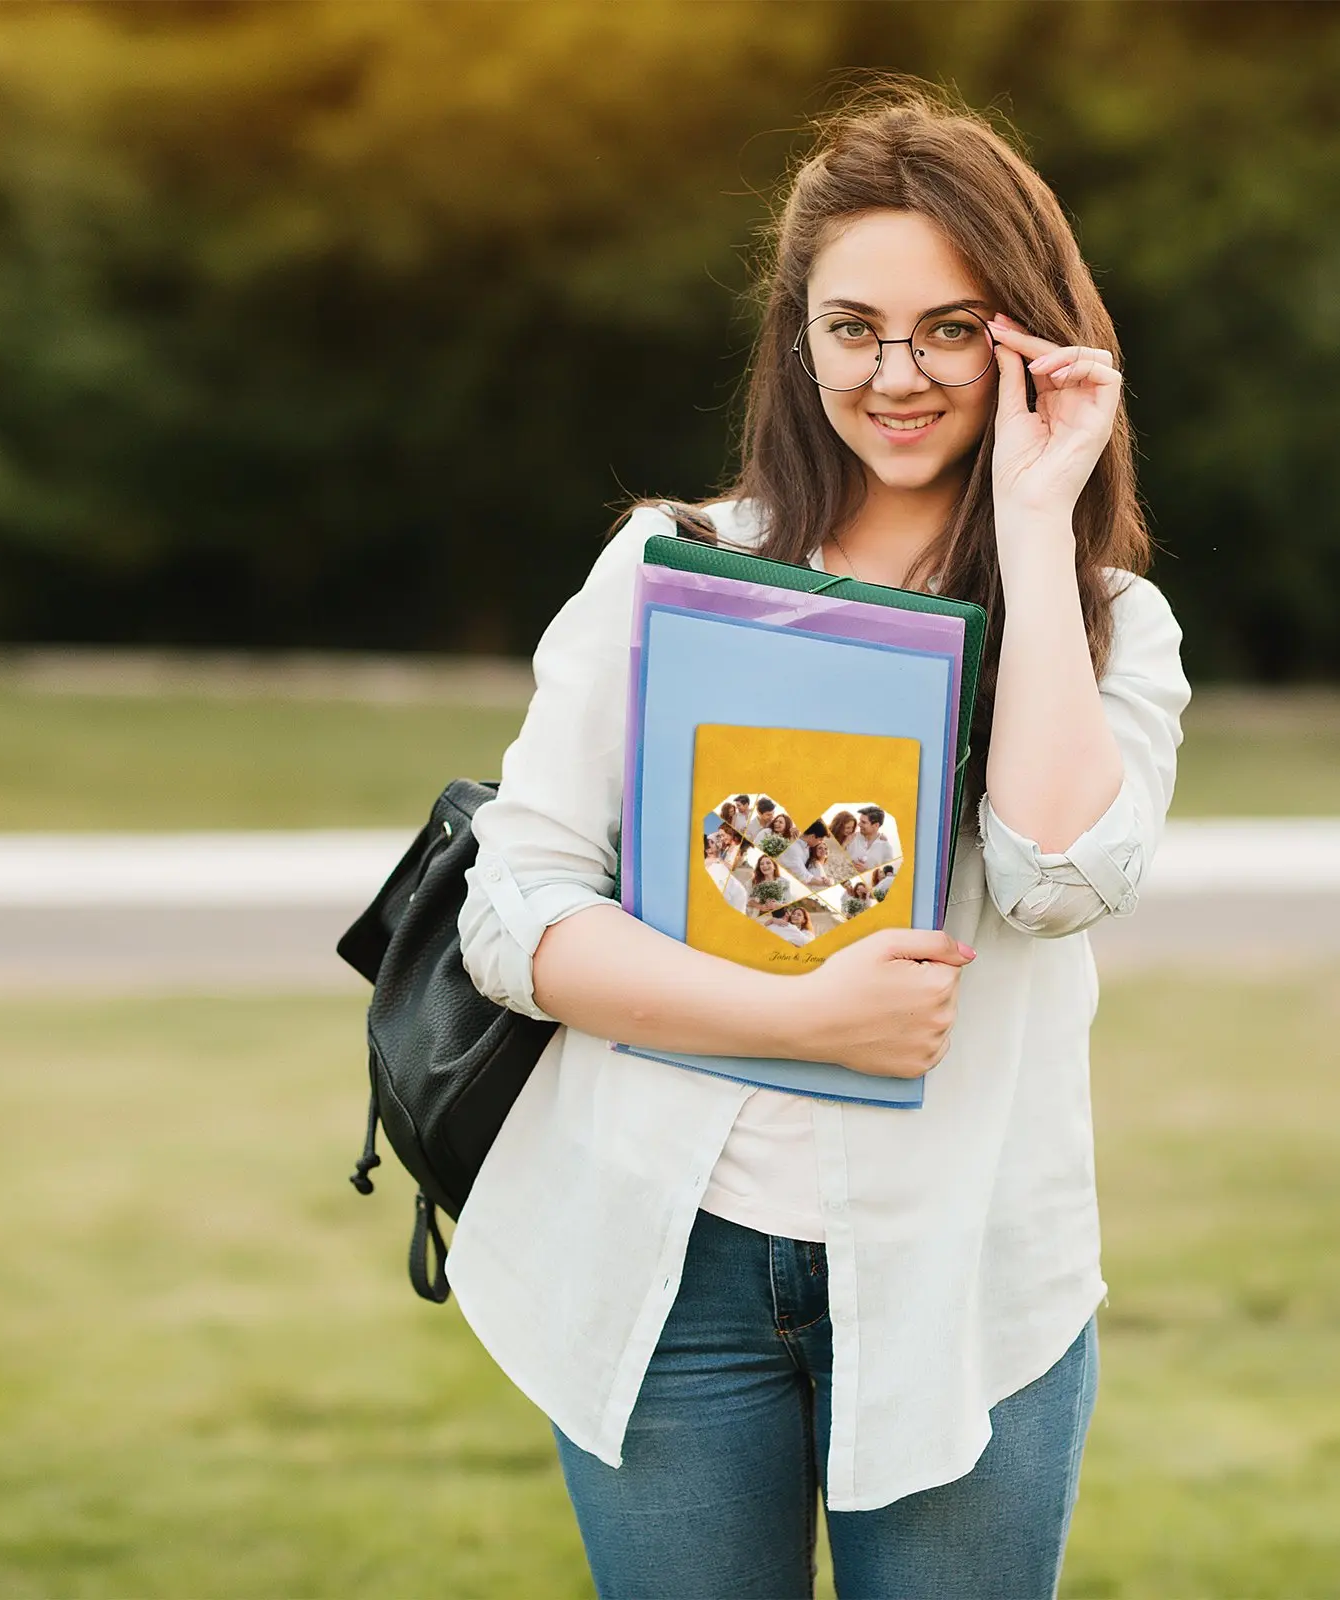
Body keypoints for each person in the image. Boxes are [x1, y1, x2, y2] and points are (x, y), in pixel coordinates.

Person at [455, 83, 1189, 1599]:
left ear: (1027, 337)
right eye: (853, 326)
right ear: (798, 336)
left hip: (965, 1283)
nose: (896, 374)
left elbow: (1060, 878)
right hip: (667, 1273)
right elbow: (513, 915)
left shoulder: (1110, 622)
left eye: (951, 328)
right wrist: (799, 1016)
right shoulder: (675, 567)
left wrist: (1039, 526)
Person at [845, 805, 898, 873]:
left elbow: (888, 873)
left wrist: (867, 871)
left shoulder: (886, 847)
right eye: (860, 821)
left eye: (863, 822)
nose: (859, 824)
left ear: (876, 825)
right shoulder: (851, 838)